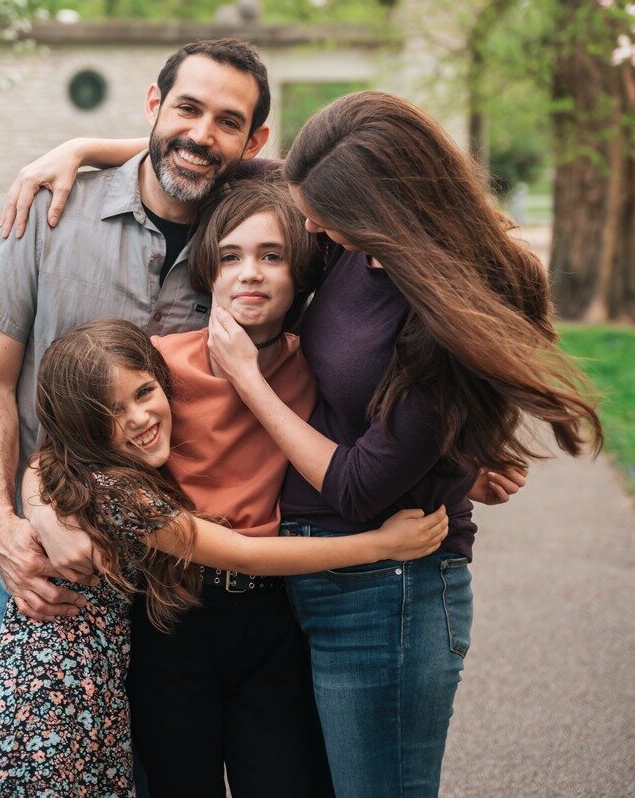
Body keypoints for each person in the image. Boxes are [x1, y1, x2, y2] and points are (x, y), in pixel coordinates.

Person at [204, 91, 603, 797]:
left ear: (384, 207)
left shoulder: (443, 310)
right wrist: (77, 155)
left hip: (388, 598)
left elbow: (359, 486)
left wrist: (247, 380)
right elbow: (217, 166)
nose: (312, 227)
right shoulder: (357, 242)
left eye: (325, 215)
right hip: (309, 574)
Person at [0, 37, 274, 798]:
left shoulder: (249, 243)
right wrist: (0, 522)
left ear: (254, 141)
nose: (201, 134)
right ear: (152, 104)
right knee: (25, 770)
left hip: (175, 579)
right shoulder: (46, 209)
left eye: (227, 122)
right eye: (187, 108)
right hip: (43, 555)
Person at [0, 318, 448, 797]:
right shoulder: (115, 492)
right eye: (111, 412)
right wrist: (380, 546)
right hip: (56, 702)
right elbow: (243, 554)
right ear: (81, 425)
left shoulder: (84, 475)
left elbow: (44, 463)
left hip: (80, 690)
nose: (137, 418)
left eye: (143, 393)